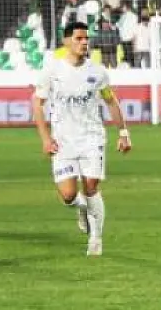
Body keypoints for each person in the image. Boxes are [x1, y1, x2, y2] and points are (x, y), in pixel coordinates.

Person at [32, 22, 133, 256]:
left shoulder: (97, 72)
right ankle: (81, 208)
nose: (84, 42)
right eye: (78, 38)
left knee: (91, 186)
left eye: (86, 38)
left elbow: (110, 100)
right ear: (66, 41)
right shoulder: (52, 71)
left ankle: (95, 238)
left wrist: (123, 133)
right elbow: (37, 103)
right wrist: (45, 138)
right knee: (68, 195)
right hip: (63, 142)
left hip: (91, 138)